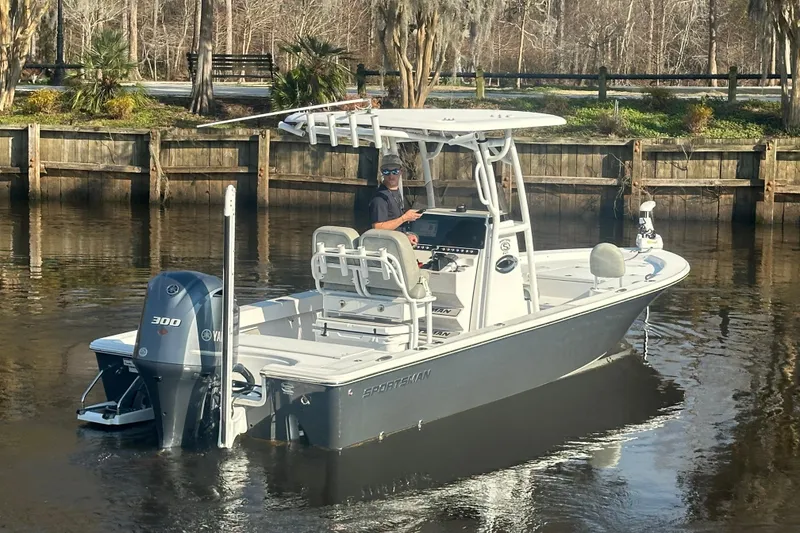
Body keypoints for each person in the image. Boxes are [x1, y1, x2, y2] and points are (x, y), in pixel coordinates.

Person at [368, 154, 423, 246]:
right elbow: (378, 228)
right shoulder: (380, 198)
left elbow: (394, 224)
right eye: (386, 172)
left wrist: (406, 236)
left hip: (396, 243)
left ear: (401, 172)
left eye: (395, 171)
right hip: (386, 248)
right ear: (382, 172)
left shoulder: (396, 192)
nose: (391, 175)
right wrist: (404, 218)